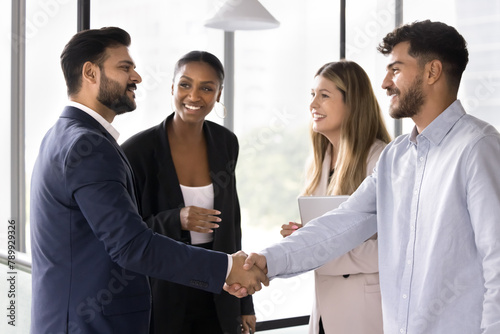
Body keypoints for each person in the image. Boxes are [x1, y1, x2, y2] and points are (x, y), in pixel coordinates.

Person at [227, 20, 500, 334]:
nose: (385, 83)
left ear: (432, 71)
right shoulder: (395, 157)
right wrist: (266, 260)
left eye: (395, 69)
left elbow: (497, 259)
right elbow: (342, 224)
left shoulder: (477, 147)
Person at [30, 27, 268, 334]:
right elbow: (132, 245)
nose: (137, 77)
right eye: (125, 67)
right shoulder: (89, 149)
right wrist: (225, 267)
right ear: (90, 73)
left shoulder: (66, 136)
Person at [121, 51, 255, 334]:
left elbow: (232, 223)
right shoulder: (138, 151)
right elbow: (125, 236)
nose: (194, 96)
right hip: (164, 291)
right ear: (172, 87)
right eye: (185, 84)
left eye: (206, 88)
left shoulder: (226, 143)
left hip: (220, 286)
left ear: (218, 94)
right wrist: (176, 219)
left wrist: (245, 303)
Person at [280, 60, 390, 334]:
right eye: (312, 94)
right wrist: (303, 235)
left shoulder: (382, 161)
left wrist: (320, 248)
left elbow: (392, 250)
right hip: (324, 313)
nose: (313, 104)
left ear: (353, 102)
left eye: (324, 95)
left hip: (365, 312)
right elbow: (326, 230)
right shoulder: (318, 164)